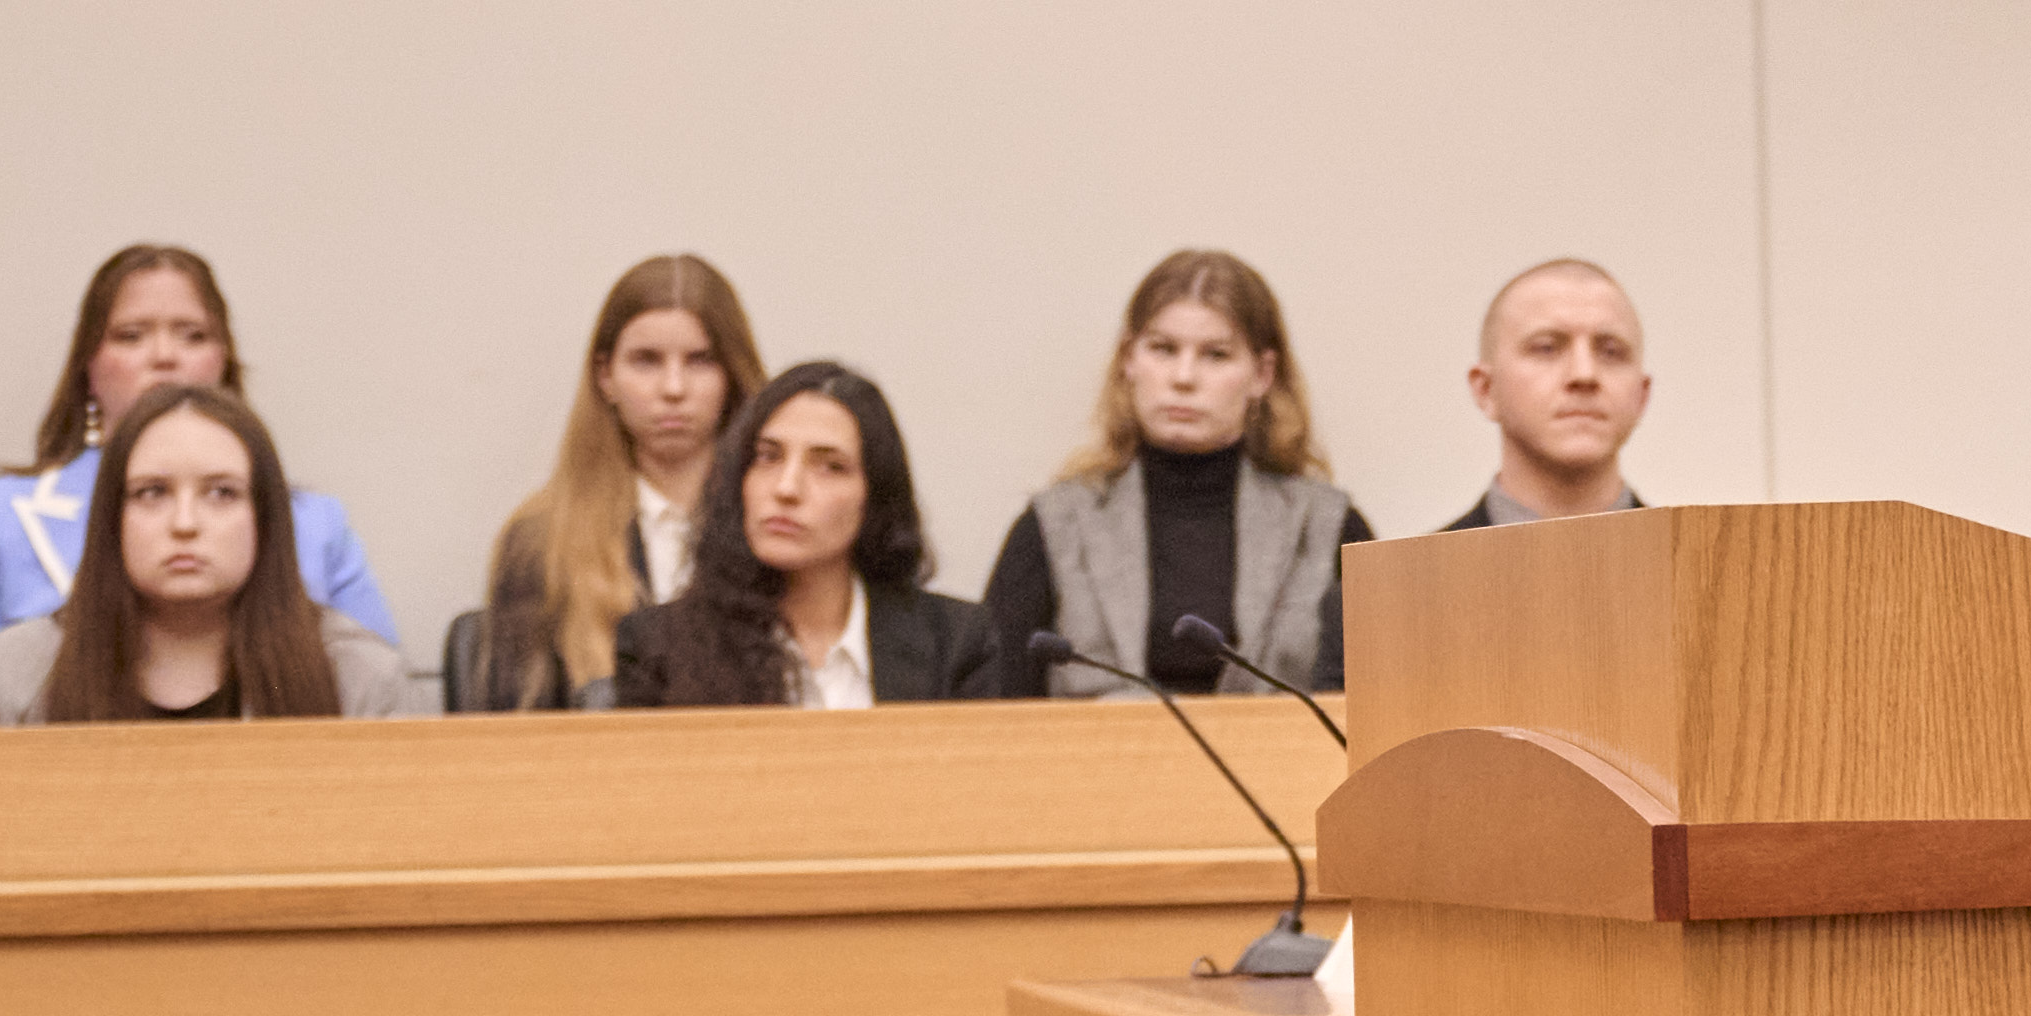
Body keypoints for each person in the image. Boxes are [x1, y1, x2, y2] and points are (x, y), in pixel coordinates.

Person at [0, 246, 396, 721]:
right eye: (132, 335)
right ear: (87, 366)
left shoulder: (329, 567)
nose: (164, 357)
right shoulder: (11, 651)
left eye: (192, 335)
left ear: (225, 360)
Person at [983, 247, 1367, 696]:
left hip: (1285, 765)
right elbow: (996, 712)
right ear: (1129, 359)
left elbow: (1376, 710)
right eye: (1163, 349)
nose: (1183, 377)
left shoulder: (1326, 527)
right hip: (1105, 762)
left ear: (1262, 374)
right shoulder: (1056, 525)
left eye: (1216, 355)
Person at [0, 383, 419, 721]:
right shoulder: (11, 673)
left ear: (265, 518)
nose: (185, 524)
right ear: (113, 520)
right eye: (152, 493)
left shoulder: (358, 675)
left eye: (221, 493)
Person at [620, 362, 1018, 709]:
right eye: (768, 457)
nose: (787, 488)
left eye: (829, 466)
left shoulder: (955, 643)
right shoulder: (658, 649)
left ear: (874, 497)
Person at [470, 254, 766, 714]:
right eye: (646, 361)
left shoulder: (783, 524)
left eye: (700, 361)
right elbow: (515, 739)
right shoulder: (540, 540)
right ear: (606, 376)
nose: (673, 387)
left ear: (732, 375)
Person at [1439, 259, 1657, 529]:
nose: (1584, 374)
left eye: (1611, 351)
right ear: (1486, 389)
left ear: (1642, 395)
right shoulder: (1410, 571)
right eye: (1546, 348)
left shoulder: (1707, 568)